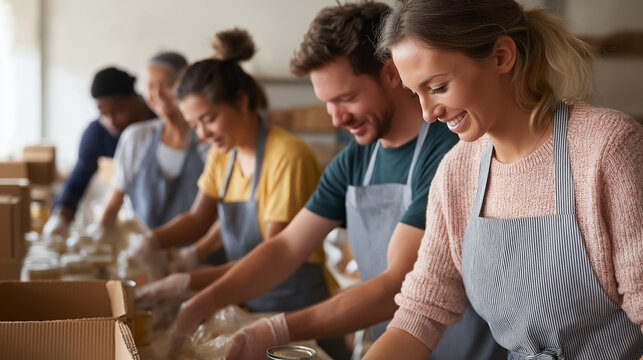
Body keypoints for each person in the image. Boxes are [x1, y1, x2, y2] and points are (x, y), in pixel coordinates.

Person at [146, 3, 501, 360]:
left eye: (347, 98)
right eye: (327, 103)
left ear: (392, 73)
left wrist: (279, 328)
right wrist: (198, 303)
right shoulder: (356, 159)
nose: (336, 118)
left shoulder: (449, 151)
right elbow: (286, 247)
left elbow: (398, 282)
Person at [364, 0, 643, 359]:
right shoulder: (456, 171)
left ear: (501, 57)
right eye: (414, 93)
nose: (427, 113)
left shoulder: (605, 147)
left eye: (438, 87)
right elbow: (421, 310)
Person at [132, 28, 349, 357]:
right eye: (195, 125)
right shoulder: (225, 155)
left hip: (295, 312)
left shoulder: (286, 156)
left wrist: (189, 283)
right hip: (249, 302)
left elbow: (274, 253)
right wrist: (152, 241)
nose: (203, 134)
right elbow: (197, 218)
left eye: (210, 118)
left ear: (242, 100)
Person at [99, 51, 209, 231]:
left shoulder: (209, 143)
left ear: (185, 86)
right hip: (143, 255)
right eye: (150, 86)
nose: (157, 94)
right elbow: (112, 207)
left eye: (167, 85)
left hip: (201, 257)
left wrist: (189, 258)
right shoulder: (136, 138)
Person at [43, 67, 155, 238]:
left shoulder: (159, 124)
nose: (111, 121)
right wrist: (60, 217)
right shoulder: (98, 133)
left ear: (133, 98)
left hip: (158, 222)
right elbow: (77, 180)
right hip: (117, 222)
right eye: (103, 114)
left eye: (117, 111)